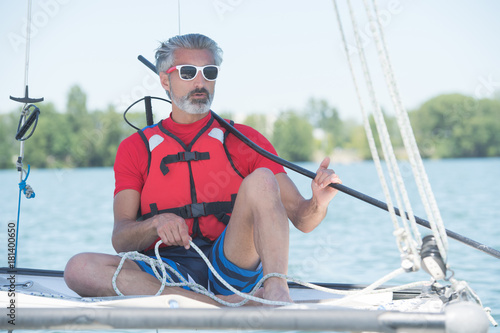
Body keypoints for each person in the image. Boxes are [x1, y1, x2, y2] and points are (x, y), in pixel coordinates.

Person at [64, 33, 342, 305]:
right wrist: (155, 224)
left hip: (232, 264)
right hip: (166, 270)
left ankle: (276, 291)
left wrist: (318, 202)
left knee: (262, 179)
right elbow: (121, 240)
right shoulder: (135, 148)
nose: (200, 82)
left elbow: (303, 220)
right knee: (79, 268)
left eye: (209, 72)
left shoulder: (245, 140)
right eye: (187, 72)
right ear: (165, 80)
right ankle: (218, 304)